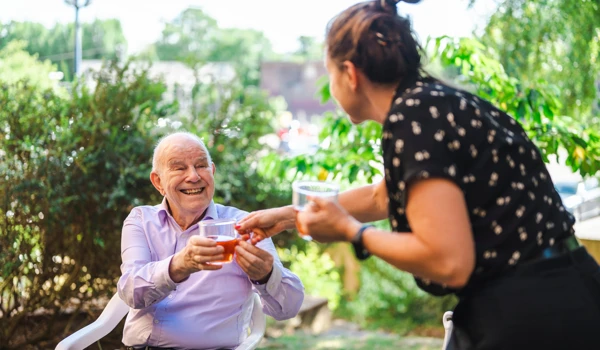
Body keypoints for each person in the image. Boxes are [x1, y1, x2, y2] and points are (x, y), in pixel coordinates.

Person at [235, 1, 600, 349]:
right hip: (564, 292)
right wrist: (288, 217)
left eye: (329, 73)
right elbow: (384, 196)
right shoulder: (434, 102)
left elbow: (449, 263)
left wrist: (351, 231)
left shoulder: (412, 116)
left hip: (532, 314)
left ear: (350, 74)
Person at [117, 132, 304, 350]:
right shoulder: (141, 219)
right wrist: (179, 265)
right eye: (179, 168)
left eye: (201, 165)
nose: (194, 176)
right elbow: (130, 291)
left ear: (212, 171)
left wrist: (266, 274)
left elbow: (289, 308)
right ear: (158, 181)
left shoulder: (242, 224)